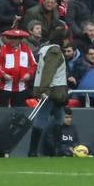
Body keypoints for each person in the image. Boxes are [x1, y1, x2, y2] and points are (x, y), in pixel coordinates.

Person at [29, 27, 71, 157]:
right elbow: (48, 71)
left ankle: (57, 150)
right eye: (67, 38)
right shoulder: (54, 51)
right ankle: (33, 151)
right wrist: (45, 90)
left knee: (59, 116)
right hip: (53, 90)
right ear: (63, 39)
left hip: (53, 90)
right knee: (42, 117)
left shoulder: (45, 48)